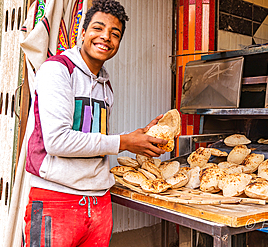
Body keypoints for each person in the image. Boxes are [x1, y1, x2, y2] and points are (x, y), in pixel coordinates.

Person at [24, 1, 167, 246]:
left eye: (115, 34)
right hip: (55, 199)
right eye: (98, 28)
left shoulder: (105, 86)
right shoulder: (57, 71)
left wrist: (136, 136)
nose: (106, 37)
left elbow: (93, 137)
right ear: (83, 32)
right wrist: (123, 142)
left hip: (99, 202)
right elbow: (58, 142)